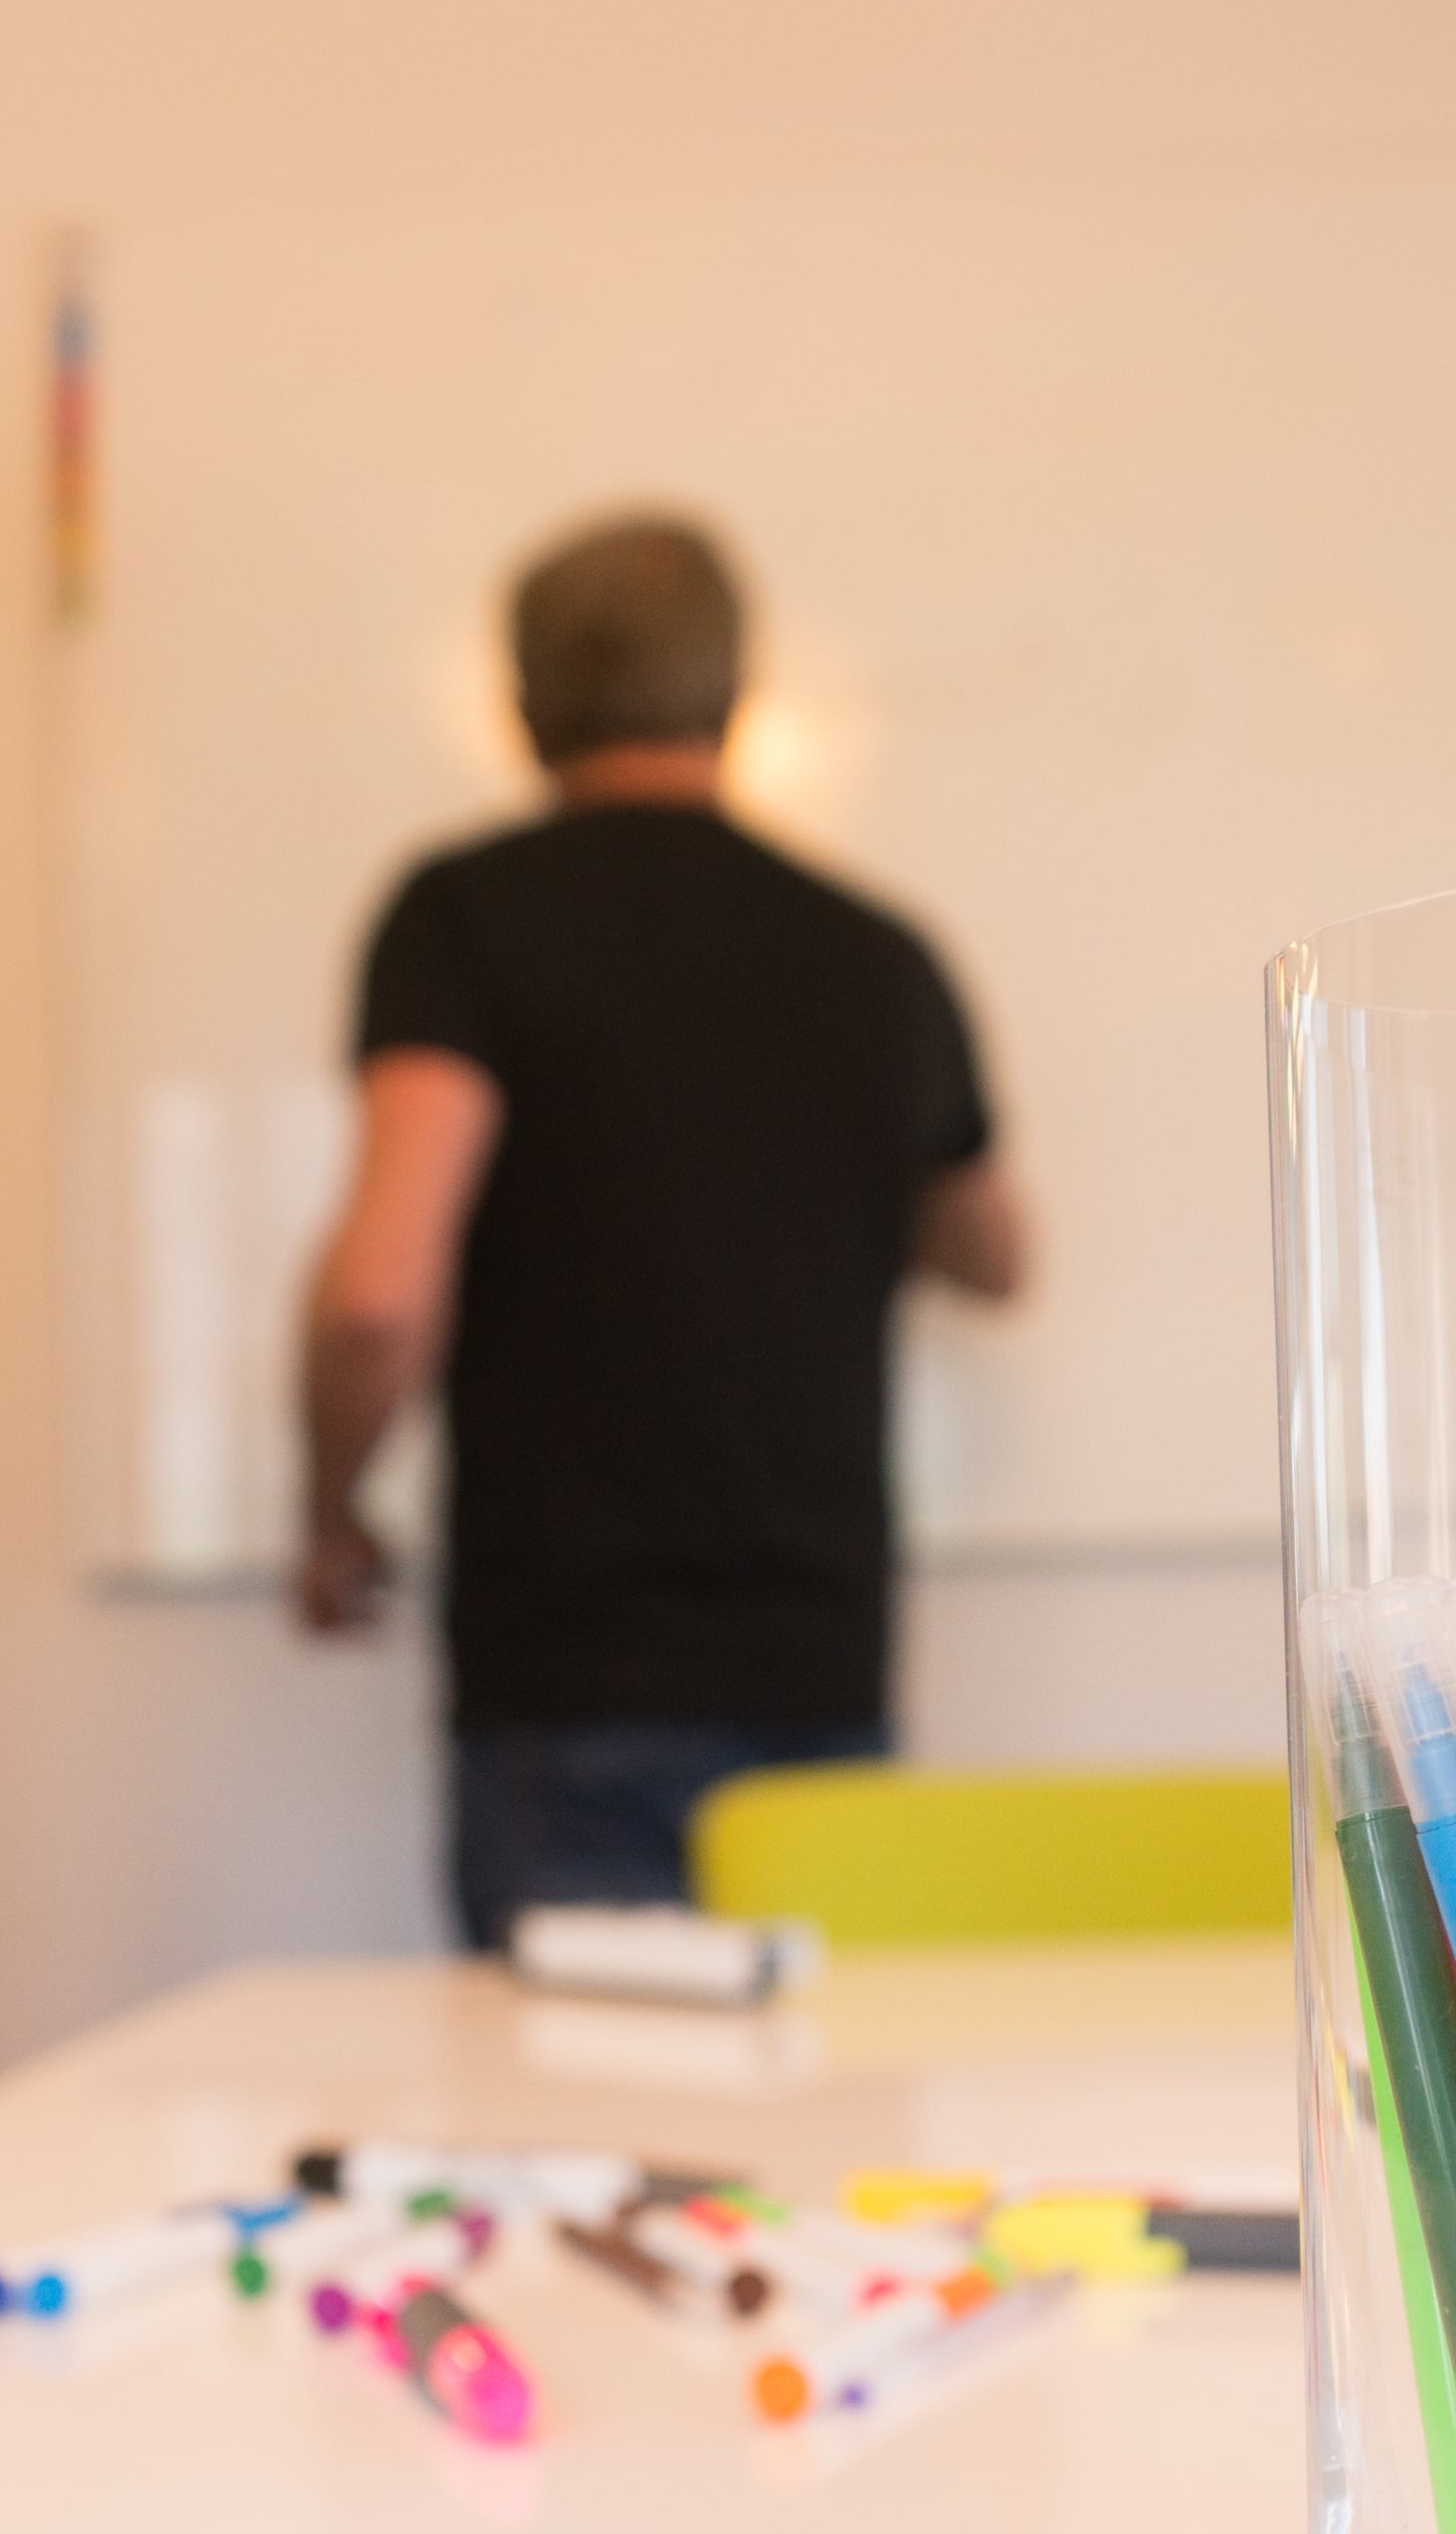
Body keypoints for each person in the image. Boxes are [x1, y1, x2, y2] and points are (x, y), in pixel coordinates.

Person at [295, 509, 1028, 1948]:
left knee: (582, 2094)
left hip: (568, 1685)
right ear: (736, 693)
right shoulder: (875, 954)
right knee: (818, 2090)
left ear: (523, 707)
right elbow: (994, 1256)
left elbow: (379, 1296)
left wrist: (330, 1513)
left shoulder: (463, 919)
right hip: (820, 1670)